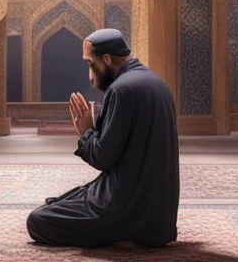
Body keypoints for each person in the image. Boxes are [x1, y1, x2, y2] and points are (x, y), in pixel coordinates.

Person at [26, 28, 180, 248]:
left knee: (38, 220)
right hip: (159, 221)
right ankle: (129, 232)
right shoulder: (157, 84)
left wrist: (86, 130)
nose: (90, 76)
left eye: (91, 64)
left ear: (106, 59)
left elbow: (102, 158)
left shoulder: (120, 90)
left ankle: (120, 234)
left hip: (126, 210)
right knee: (58, 202)